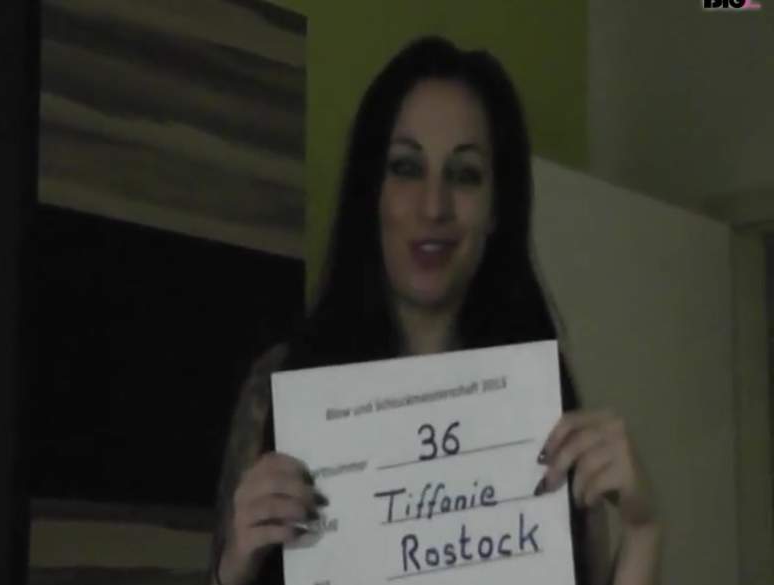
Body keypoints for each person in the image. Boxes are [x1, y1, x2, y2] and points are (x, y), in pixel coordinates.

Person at [209, 36, 660, 585]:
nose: (434, 206)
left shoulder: (542, 408)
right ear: (371, 193)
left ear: (497, 208)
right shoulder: (277, 392)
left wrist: (643, 530)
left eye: (465, 174)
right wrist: (234, 568)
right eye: (405, 167)